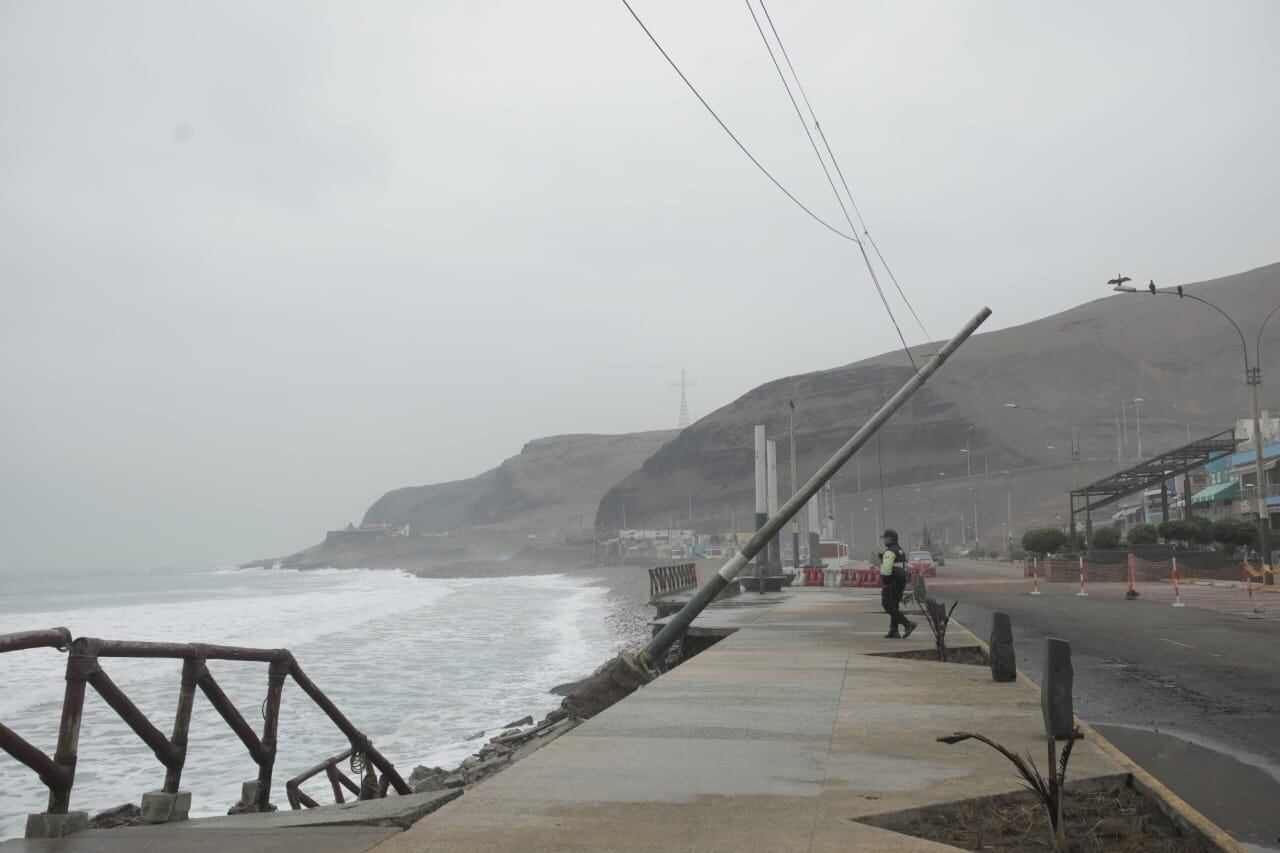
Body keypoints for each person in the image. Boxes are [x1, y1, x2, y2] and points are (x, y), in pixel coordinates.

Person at [878, 529, 917, 639]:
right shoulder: (900, 551)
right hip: (900, 582)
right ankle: (894, 631)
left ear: (890, 538)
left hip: (892, 582)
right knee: (894, 605)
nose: (884, 540)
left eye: (885, 538)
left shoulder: (890, 552)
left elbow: (886, 569)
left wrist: (885, 581)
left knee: (888, 606)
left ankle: (908, 624)